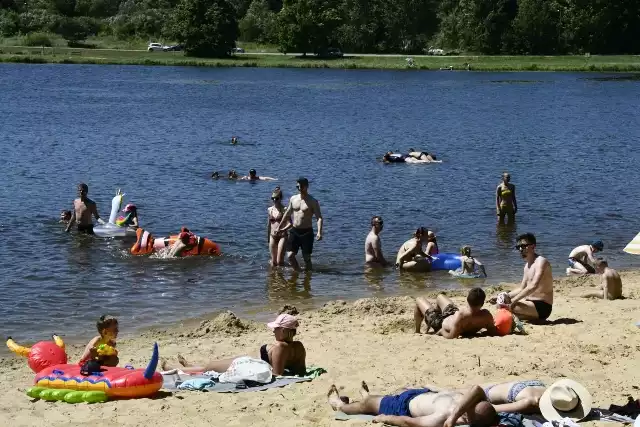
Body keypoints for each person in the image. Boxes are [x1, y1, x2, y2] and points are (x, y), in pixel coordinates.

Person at [161, 313, 306, 376]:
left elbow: (277, 374)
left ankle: (172, 369)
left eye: (276, 328)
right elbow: (300, 370)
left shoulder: (281, 347)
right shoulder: (299, 346)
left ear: (285, 331)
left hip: (249, 365)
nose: (273, 331)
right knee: (210, 366)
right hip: (251, 363)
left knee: (209, 367)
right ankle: (189, 365)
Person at [327, 381, 498, 427]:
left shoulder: (443, 417)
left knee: (367, 404)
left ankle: (338, 405)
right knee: (394, 392)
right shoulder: (467, 401)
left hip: (403, 406)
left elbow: (410, 422)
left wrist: (384, 418)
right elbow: (476, 389)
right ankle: (370, 396)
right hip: (423, 394)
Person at [493, 233, 553, 321]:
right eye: (518, 247)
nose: (521, 249)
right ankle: (519, 317)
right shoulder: (526, 266)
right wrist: (504, 296)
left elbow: (533, 286)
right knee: (501, 303)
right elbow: (522, 288)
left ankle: (515, 317)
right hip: (529, 304)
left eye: (524, 246)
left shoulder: (541, 262)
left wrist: (513, 301)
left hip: (542, 306)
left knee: (506, 307)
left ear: (533, 246)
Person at [275, 177, 323, 271]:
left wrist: (319, 232)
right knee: (290, 255)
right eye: (298, 186)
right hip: (295, 231)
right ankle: (298, 272)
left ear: (306, 186)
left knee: (306, 258)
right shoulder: (293, 198)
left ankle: (308, 276)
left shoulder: (313, 201)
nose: (299, 187)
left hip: (307, 232)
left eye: (301, 186)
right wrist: (279, 227)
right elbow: (287, 214)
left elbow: (319, 218)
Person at [414, 289, 497, 338]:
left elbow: (451, 336)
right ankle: (433, 316)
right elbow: (493, 332)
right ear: (482, 304)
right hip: (453, 314)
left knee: (419, 299)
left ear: (467, 300)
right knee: (440, 297)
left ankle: (417, 331)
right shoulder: (486, 315)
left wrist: (442, 331)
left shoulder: (462, 315)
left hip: (440, 323)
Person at [449, 380, 546, 419]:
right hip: (520, 395)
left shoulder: (553, 394)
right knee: (480, 405)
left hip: (535, 386)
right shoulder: (530, 403)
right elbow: (492, 408)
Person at [267, 187, 291, 267]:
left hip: (282, 236)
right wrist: (268, 238)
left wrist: (282, 229)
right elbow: (269, 224)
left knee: (279, 261)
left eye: (276, 198)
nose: (274, 200)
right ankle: (273, 277)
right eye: (272, 198)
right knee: (274, 262)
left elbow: (290, 223)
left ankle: (281, 277)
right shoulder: (270, 209)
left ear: (280, 198)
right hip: (272, 236)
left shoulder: (285, 209)